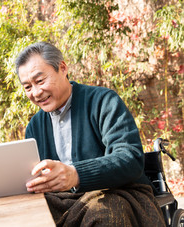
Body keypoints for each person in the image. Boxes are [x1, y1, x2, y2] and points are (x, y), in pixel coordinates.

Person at [15, 42, 165, 226]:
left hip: (119, 193)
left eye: (40, 81)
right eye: (28, 87)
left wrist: (75, 174)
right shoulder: (34, 126)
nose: (36, 93)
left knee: (104, 212)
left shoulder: (103, 102)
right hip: (66, 202)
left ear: (62, 68)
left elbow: (130, 159)